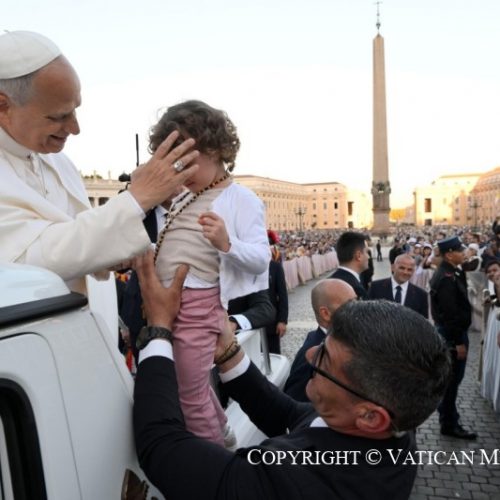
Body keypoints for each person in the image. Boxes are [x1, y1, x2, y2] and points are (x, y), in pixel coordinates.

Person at [133, 252, 451, 500]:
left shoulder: (294, 481)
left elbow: (161, 447)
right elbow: (287, 414)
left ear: (370, 417)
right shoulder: (387, 422)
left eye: (325, 358)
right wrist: (229, 353)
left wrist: (158, 329)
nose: (310, 355)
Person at [0, 31, 198, 295]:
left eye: (75, 109)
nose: (75, 128)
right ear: (3, 106)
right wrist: (138, 198)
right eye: (58, 117)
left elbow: (77, 239)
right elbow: (26, 262)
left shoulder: (58, 161)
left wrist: (120, 251)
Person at [149, 100, 270, 446]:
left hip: (198, 304)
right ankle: (222, 432)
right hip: (169, 303)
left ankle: (213, 460)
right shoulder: (185, 196)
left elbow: (261, 258)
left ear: (215, 149)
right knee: (191, 384)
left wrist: (227, 243)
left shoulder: (241, 198)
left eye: (187, 160)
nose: (180, 170)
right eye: (175, 161)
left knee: (187, 389)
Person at [430, 236, 477, 439]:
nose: (463, 253)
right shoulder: (446, 277)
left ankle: (448, 418)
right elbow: (450, 314)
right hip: (451, 336)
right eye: (459, 250)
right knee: (452, 381)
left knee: (452, 382)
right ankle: (449, 423)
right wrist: (458, 342)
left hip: (453, 334)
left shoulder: (452, 272)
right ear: (449, 254)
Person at [284, 279, 356, 401]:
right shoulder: (313, 358)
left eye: (357, 300)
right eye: (350, 304)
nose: (359, 307)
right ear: (326, 314)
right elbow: (294, 404)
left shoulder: (339, 340)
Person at [368, 254, 428, 318]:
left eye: (409, 269)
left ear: (413, 271)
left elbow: (423, 321)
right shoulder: (376, 287)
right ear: (393, 267)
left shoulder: (421, 295)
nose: (405, 272)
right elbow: (367, 314)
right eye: (402, 268)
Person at [480, 259, 500, 413]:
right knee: (492, 355)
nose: (492, 273)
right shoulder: (494, 284)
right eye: (489, 272)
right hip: (495, 319)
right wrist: (492, 299)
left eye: (495, 270)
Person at [265, 230, 289, 354]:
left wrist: (282, 320)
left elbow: (283, 296)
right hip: (253, 325)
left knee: (274, 356)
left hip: (271, 323)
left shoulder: (275, 267)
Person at [329, 231, 369, 299]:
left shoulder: (329, 281)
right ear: (358, 256)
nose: (368, 257)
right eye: (367, 252)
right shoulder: (355, 289)